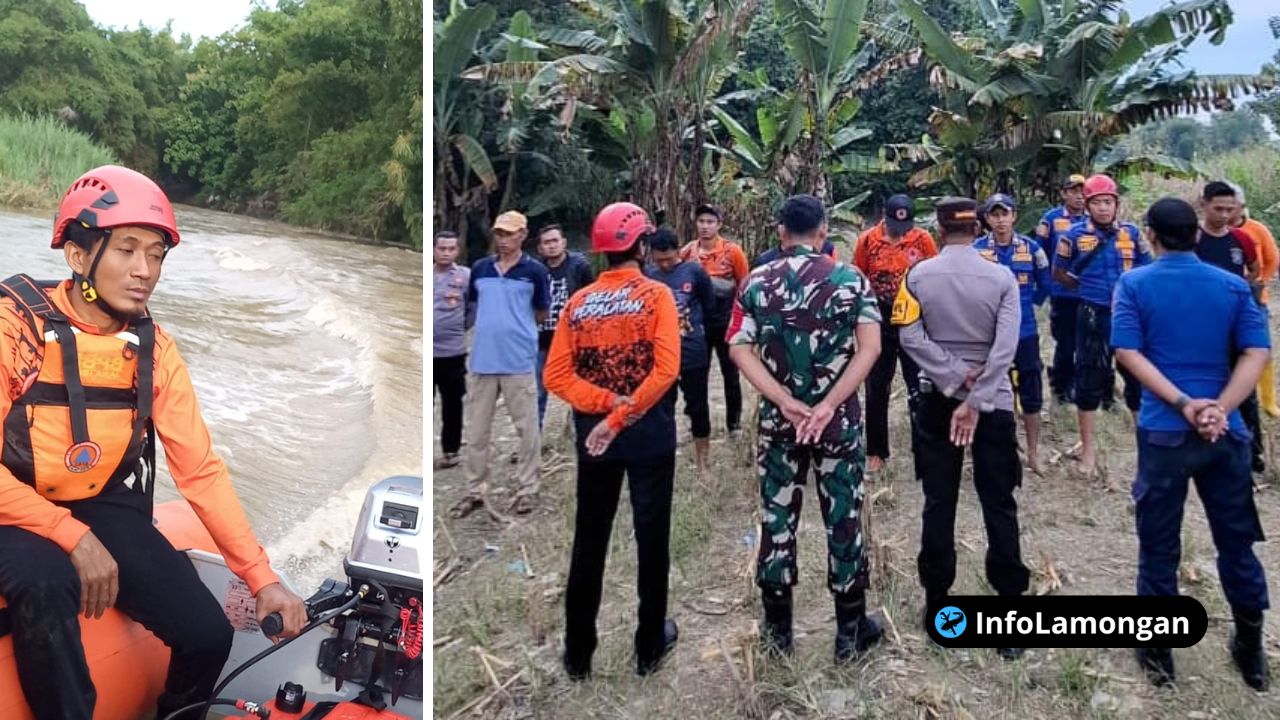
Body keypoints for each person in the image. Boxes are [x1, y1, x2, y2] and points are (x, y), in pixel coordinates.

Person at [0, 165, 308, 719]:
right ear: (78, 255)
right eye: (127, 250)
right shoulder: (13, 326)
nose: (145, 271)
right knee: (45, 583)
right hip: (10, 505)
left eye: (158, 254)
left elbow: (200, 470)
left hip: (96, 500)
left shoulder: (153, 348)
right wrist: (69, 536)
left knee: (207, 634)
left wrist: (262, 580)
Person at [1112, 197, 1270, 691]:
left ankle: (1159, 658)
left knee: (1159, 545)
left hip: (1165, 431)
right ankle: (1251, 650)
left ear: (1150, 236)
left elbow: (1128, 351)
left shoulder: (1134, 284)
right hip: (1226, 434)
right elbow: (1257, 352)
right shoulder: (1230, 285)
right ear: (1197, 235)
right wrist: (1220, 407)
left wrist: (1185, 404)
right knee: (1237, 543)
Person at [727, 194, 884, 663]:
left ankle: (779, 637)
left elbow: (738, 349)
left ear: (780, 232)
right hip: (837, 425)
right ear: (823, 232)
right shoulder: (850, 279)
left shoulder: (755, 281)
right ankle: (850, 633)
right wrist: (828, 405)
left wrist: (785, 402)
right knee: (845, 518)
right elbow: (870, 348)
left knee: (777, 521)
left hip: (780, 425)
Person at [544, 202, 681, 679]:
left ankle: (578, 654)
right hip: (649, 434)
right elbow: (666, 371)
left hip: (595, 439)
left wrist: (604, 407)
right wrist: (623, 412)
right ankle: (648, 647)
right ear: (642, 246)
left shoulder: (578, 304)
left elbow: (555, 375)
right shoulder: (657, 296)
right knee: (652, 540)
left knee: (589, 541)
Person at [892, 197, 1029, 660]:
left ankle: (938, 606)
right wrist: (978, 395)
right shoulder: (1002, 277)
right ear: (979, 228)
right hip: (992, 404)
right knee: (999, 503)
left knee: (938, 500)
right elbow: (1007, 345)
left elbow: (908, 337)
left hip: (936, 399)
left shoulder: (917, 276)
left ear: (939, 226)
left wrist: (953, 378)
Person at [449, 211, 549, 518]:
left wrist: (516, 331)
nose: (502, 239)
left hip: (518, 361)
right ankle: (474, 489)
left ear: (523, 235)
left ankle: (528, 488)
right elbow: (473, 306)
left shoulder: (534, 272)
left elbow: (541, 312)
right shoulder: (481, 269)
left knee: (527, 429)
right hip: (482, 361)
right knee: (477, 431)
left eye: (509, 233)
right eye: (499, 233)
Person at [1053, 174, 1151, 476]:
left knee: (1137, 380)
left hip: (1127, 316)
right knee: (1088, 380)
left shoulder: (1132, 234)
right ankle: (1089, 453)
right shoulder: (1072, 236)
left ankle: (1147, 449)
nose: (1104, 208)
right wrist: (1083, 290)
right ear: (1089, 205)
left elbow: (1147, 270)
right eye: (1097, 203)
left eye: (1108, 202)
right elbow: (1060, 272)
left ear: (1116, 204)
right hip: (1092, 315)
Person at [854, 193, 937, 473]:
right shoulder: (868, 240)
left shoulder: (922, 239)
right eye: (894, 225)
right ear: (884, 218)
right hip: (880, 318)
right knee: (877, 386)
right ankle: (876, 452)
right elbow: (859, 278)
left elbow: (935, 275)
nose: (900, 232)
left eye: (905, 225)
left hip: (914, 317)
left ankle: (924, 448)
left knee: (920, 385)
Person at [973, 194, 1052, 473]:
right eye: (994, 215)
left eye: (1004, 214)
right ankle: (1003, 450)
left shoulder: (1032, 249)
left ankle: (1033, 452)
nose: (1000, 220)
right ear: (987, 219)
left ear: (1014, 216)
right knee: (992, 390)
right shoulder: (976, 250)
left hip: (1025, 333)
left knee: (1031, 393)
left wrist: (1025, 308)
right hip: (989, 336)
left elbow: (1045, 284)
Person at [1196, 181, 1265, 474]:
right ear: (1204, 204)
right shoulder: (1193, 239)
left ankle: (1252, 450)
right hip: (1201, 324)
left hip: (1236, 324)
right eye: (1218, 209)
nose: (1224, 215)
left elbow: (1255, 269)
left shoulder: (1241, 240)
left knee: (1244, 387)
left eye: (1230, 209)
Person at [647, 228, 715, 473]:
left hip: (692, 351)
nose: (665, 264)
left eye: (669, 258)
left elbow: (709, 307)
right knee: (663, 409)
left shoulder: (694, 272)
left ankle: (703, 462)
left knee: (698, 407)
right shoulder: (648, 276)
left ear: (678, 251)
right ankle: (663, 458)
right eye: (659, 259)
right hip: (661, 356)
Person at [679, 204, 750, 437]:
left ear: (719, 224)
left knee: (731, 375)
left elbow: (744, 287)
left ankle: (735, 425)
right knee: (695, 376)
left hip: (726, 323)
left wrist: (742, 323)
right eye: (701, 221)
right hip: (697, 324)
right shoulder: (687, 253)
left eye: (710, 222)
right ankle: (698, 425)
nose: (705, 226)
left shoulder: (732, 252)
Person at [533, 224, 594, 429]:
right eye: (546, 242)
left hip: (572, 340)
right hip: (542, 340)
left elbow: (589, 300)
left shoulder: (579, 266)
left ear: (564, 242)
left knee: (578, 388)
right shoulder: (535, 269)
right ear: (540, 247)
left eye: (554, 241)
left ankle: (582, 432)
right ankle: (532, 440)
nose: (551, 246)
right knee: (537, 391)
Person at [1228, 182, 1280, 416]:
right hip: (1224, 298)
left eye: (1232, 206)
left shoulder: (1256, 229)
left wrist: (1261, 280)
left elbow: (1272, 259)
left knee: (1262, 348)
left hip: (1255, 297)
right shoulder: (1213, 232)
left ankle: (1268, 402)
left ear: (1242, 207)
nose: (1227, 212)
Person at [1040, 175, 1088, 405]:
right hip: (1062, 292)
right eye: (1073, 190)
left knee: (1089, 343)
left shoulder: (1095, 219)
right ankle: (1061, 387)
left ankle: (1087, 386)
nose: (1079, 195)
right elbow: (1041, 254)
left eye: (1083, 191)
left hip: (1091, 293)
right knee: (1066, 343)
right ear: (1063, 193)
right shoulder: (1051, 219)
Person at [434, 230, 470, 468]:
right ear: (434, 250)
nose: (446, 253)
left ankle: (451, 452)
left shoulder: (466, 276)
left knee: (453, 404)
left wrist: (457, 329)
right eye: (441, 248)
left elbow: (472, 310)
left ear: (457, 251)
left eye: (451, 249)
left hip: (454, 353)